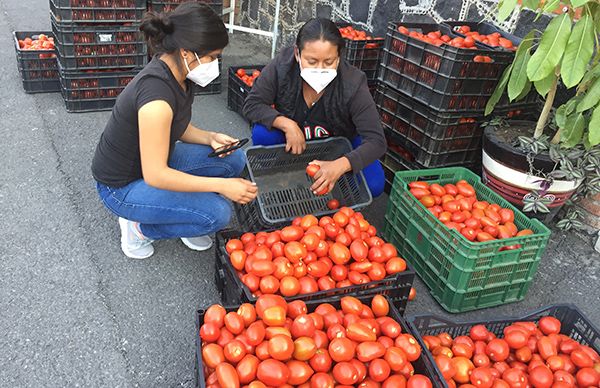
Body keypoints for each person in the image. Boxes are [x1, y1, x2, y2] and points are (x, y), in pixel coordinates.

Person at [91, 3, 258, 259]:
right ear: (187, 53)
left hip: (152, 163)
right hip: (122, 187)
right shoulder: (156, 100)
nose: (215, 63)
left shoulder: (178, 72)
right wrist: (222, 186)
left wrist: (209, 137)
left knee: (233, 159)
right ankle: (139, 228)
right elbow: (156, 175)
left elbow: (176, 127)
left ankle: (179, 211)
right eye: (212, 57)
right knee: (218, 213)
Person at [243, 18, 387, 197]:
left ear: (339, 56)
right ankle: (281, 176)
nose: (320, 69)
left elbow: (377, 141)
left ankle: (341, 191)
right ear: (297, 54)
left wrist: (341, 164)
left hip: (339, 143)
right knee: (263, 133)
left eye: (329, 62)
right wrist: (286, 124)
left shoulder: (352, 82)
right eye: (311, 61)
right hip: (294, 142)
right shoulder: (282, 67)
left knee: (373, 184)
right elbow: (252, 104)